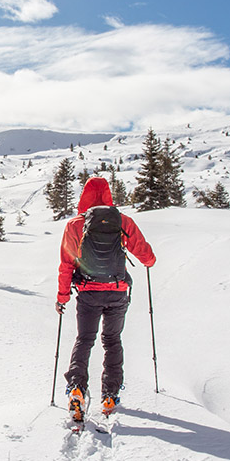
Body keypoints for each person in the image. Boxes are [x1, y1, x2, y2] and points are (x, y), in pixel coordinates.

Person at [55, 175, 156, 421]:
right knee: (112, 340)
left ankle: (77, 388)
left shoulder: (75, 225)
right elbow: (147, 256)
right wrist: (148, 261)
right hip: (117, 291)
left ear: (84, 197)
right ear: (109, 195)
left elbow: (66, 264)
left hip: (89, 293)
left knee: (85, 339)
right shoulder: (123, 222)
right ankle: (110, 394)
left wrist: (63, 296)